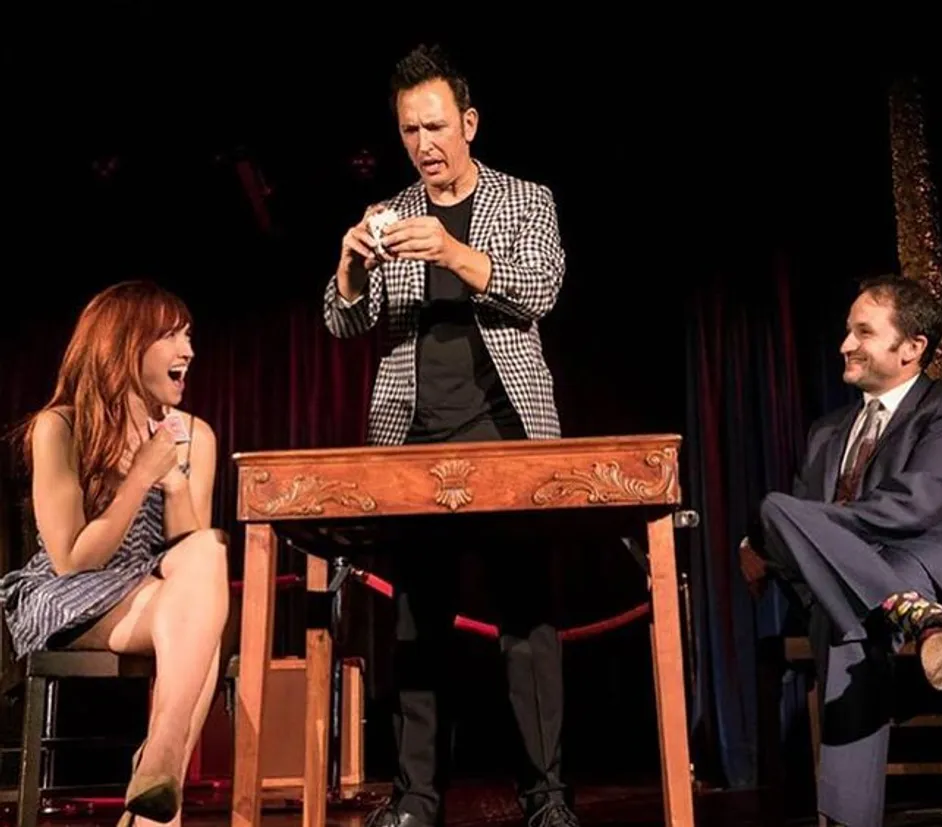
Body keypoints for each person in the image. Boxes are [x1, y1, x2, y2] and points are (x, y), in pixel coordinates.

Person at [324, 44, 578, 827]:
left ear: (467, 123)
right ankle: (415, 799)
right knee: (414, 625)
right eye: (409, 131)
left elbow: (541, 288)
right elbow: (343, 321)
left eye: (435, 126)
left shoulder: (525, 200)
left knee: (528, 626)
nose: (423, 144)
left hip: (508, 435)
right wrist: (350, 266)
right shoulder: (390, 210)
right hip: (413, 443)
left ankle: (546, 795)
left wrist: (455, 251)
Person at [739, 274, 942, 827]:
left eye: (863, 331)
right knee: (801, 542)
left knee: (818, 566)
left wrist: (779, 530)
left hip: (933, 563)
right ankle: (915, 615)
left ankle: (845, 820)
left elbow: (912, 506)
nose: (845, 344)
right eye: (846, 330)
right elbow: (798, 537)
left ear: (911, 349)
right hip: (859, 593)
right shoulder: (826, 431)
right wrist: (762, 542)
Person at [0, 281, 230, 827]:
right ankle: (159, 783)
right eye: (172, 336)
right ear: (128, 346)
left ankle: (158, 763)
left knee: (209, 553)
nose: (188, 351)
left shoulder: (195, 435)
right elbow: (71, 559)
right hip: (67, 595)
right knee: (205, 631)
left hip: (151, 588)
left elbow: (187, 546)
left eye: (188, 336)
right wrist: (139, 479)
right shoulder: (60, 427)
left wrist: (173, 484)